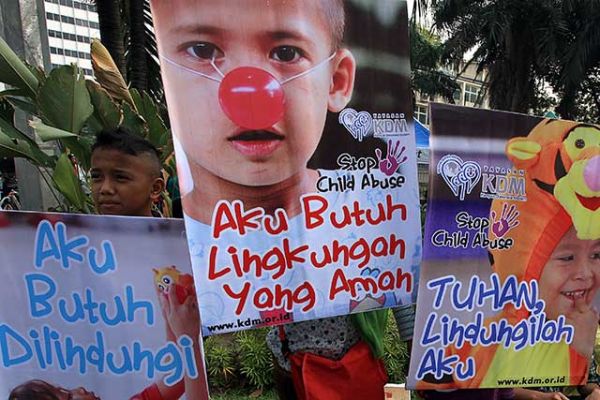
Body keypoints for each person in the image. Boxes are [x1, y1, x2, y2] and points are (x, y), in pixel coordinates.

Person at [150, 1, 421, 399]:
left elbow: (397, 281)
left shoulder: (364, 207)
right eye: (204, 51)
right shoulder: (197, 235)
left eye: (286, 53)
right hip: (289, 369)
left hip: (351, 369)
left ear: (337, 81)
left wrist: (418, 354)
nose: (249, 95)